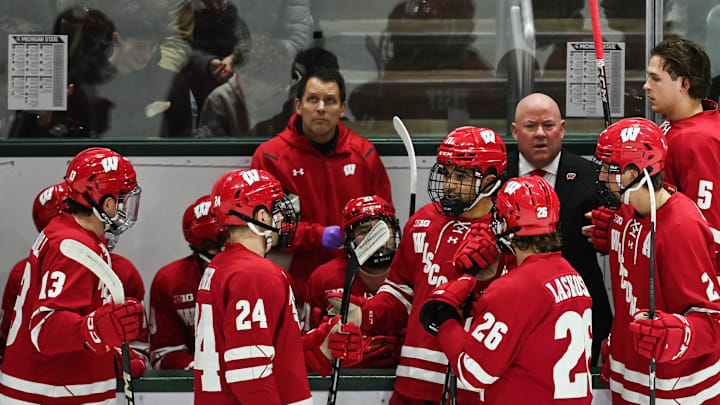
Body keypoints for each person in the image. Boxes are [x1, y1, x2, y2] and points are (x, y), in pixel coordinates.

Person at [331, 127, 509, 404]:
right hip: (413, 384)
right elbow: (401, 291)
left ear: (489, 181)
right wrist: (366, 315)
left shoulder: (508, 233)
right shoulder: (424, 220)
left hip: (474, 388)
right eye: (446, 172)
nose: (449, 184)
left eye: (460, 176)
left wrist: (487, 277)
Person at [194, 168, 363, 404]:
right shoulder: (255, 274)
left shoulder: (223, 266)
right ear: (261, 217)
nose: (284, 219)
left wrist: (320, 343)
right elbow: (250, 374)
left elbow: (266, 349)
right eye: (276, 209)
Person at [419, 175, 593, 404]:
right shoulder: (572, 275)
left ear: (504, 221)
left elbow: (474, 371)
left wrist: (446, 321)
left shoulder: (512, 288)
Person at [585, 117, 720, 403]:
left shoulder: (680, 229)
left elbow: (712, 321)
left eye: (610, 169)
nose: (601, 177)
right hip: (630, 379)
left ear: (633, 174)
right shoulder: (624, 214)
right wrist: (618, 345)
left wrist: (678, 334)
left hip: (677, 390)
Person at [0, 147, 145, 404]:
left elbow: (78, 315)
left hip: (56, 388)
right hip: (50, 392)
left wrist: (110, 351)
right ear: (106, 202)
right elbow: (45, 328)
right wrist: (98, 329)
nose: (124, 205)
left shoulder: (71, 232)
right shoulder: (72, 247)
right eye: (122, 197)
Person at [251, 68, 393, 307]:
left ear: (342, 108)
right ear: (298, 105)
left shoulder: (364, 155)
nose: (321, 108)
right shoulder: (270, 157)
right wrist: (317, 236)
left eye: (330, 101)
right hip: (292, 289)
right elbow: (264, 229)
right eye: (313, 99)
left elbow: (384, 222)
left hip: (351, 287)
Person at [507, 92, 612, 364]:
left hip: (578, 312)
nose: (540, 134)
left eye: (549, 125)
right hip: (509, 311)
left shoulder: (593, 176)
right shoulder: (497, 175)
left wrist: (614, 233)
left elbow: (622, 233)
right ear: (515, 131)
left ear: (563, 129)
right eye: (531, 126)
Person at [306, 195, 404, 368]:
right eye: (365, 231)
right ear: (348, 240)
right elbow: (308, 339)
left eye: (382, 230)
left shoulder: (410, 272)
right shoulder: (324, 277)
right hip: (344, 379)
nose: (377, 239)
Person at [645, 39, 720, 244]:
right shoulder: (674, 124)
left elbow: (706, 227)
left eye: (655, 79)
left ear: (684, 84)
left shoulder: (700, 140)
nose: (646, 86)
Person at [150, 194, 226, 369]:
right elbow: (164, 352)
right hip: (198, 383)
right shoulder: (171, 281)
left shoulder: (264, 277)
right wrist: (199, 367)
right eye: (216, 247)